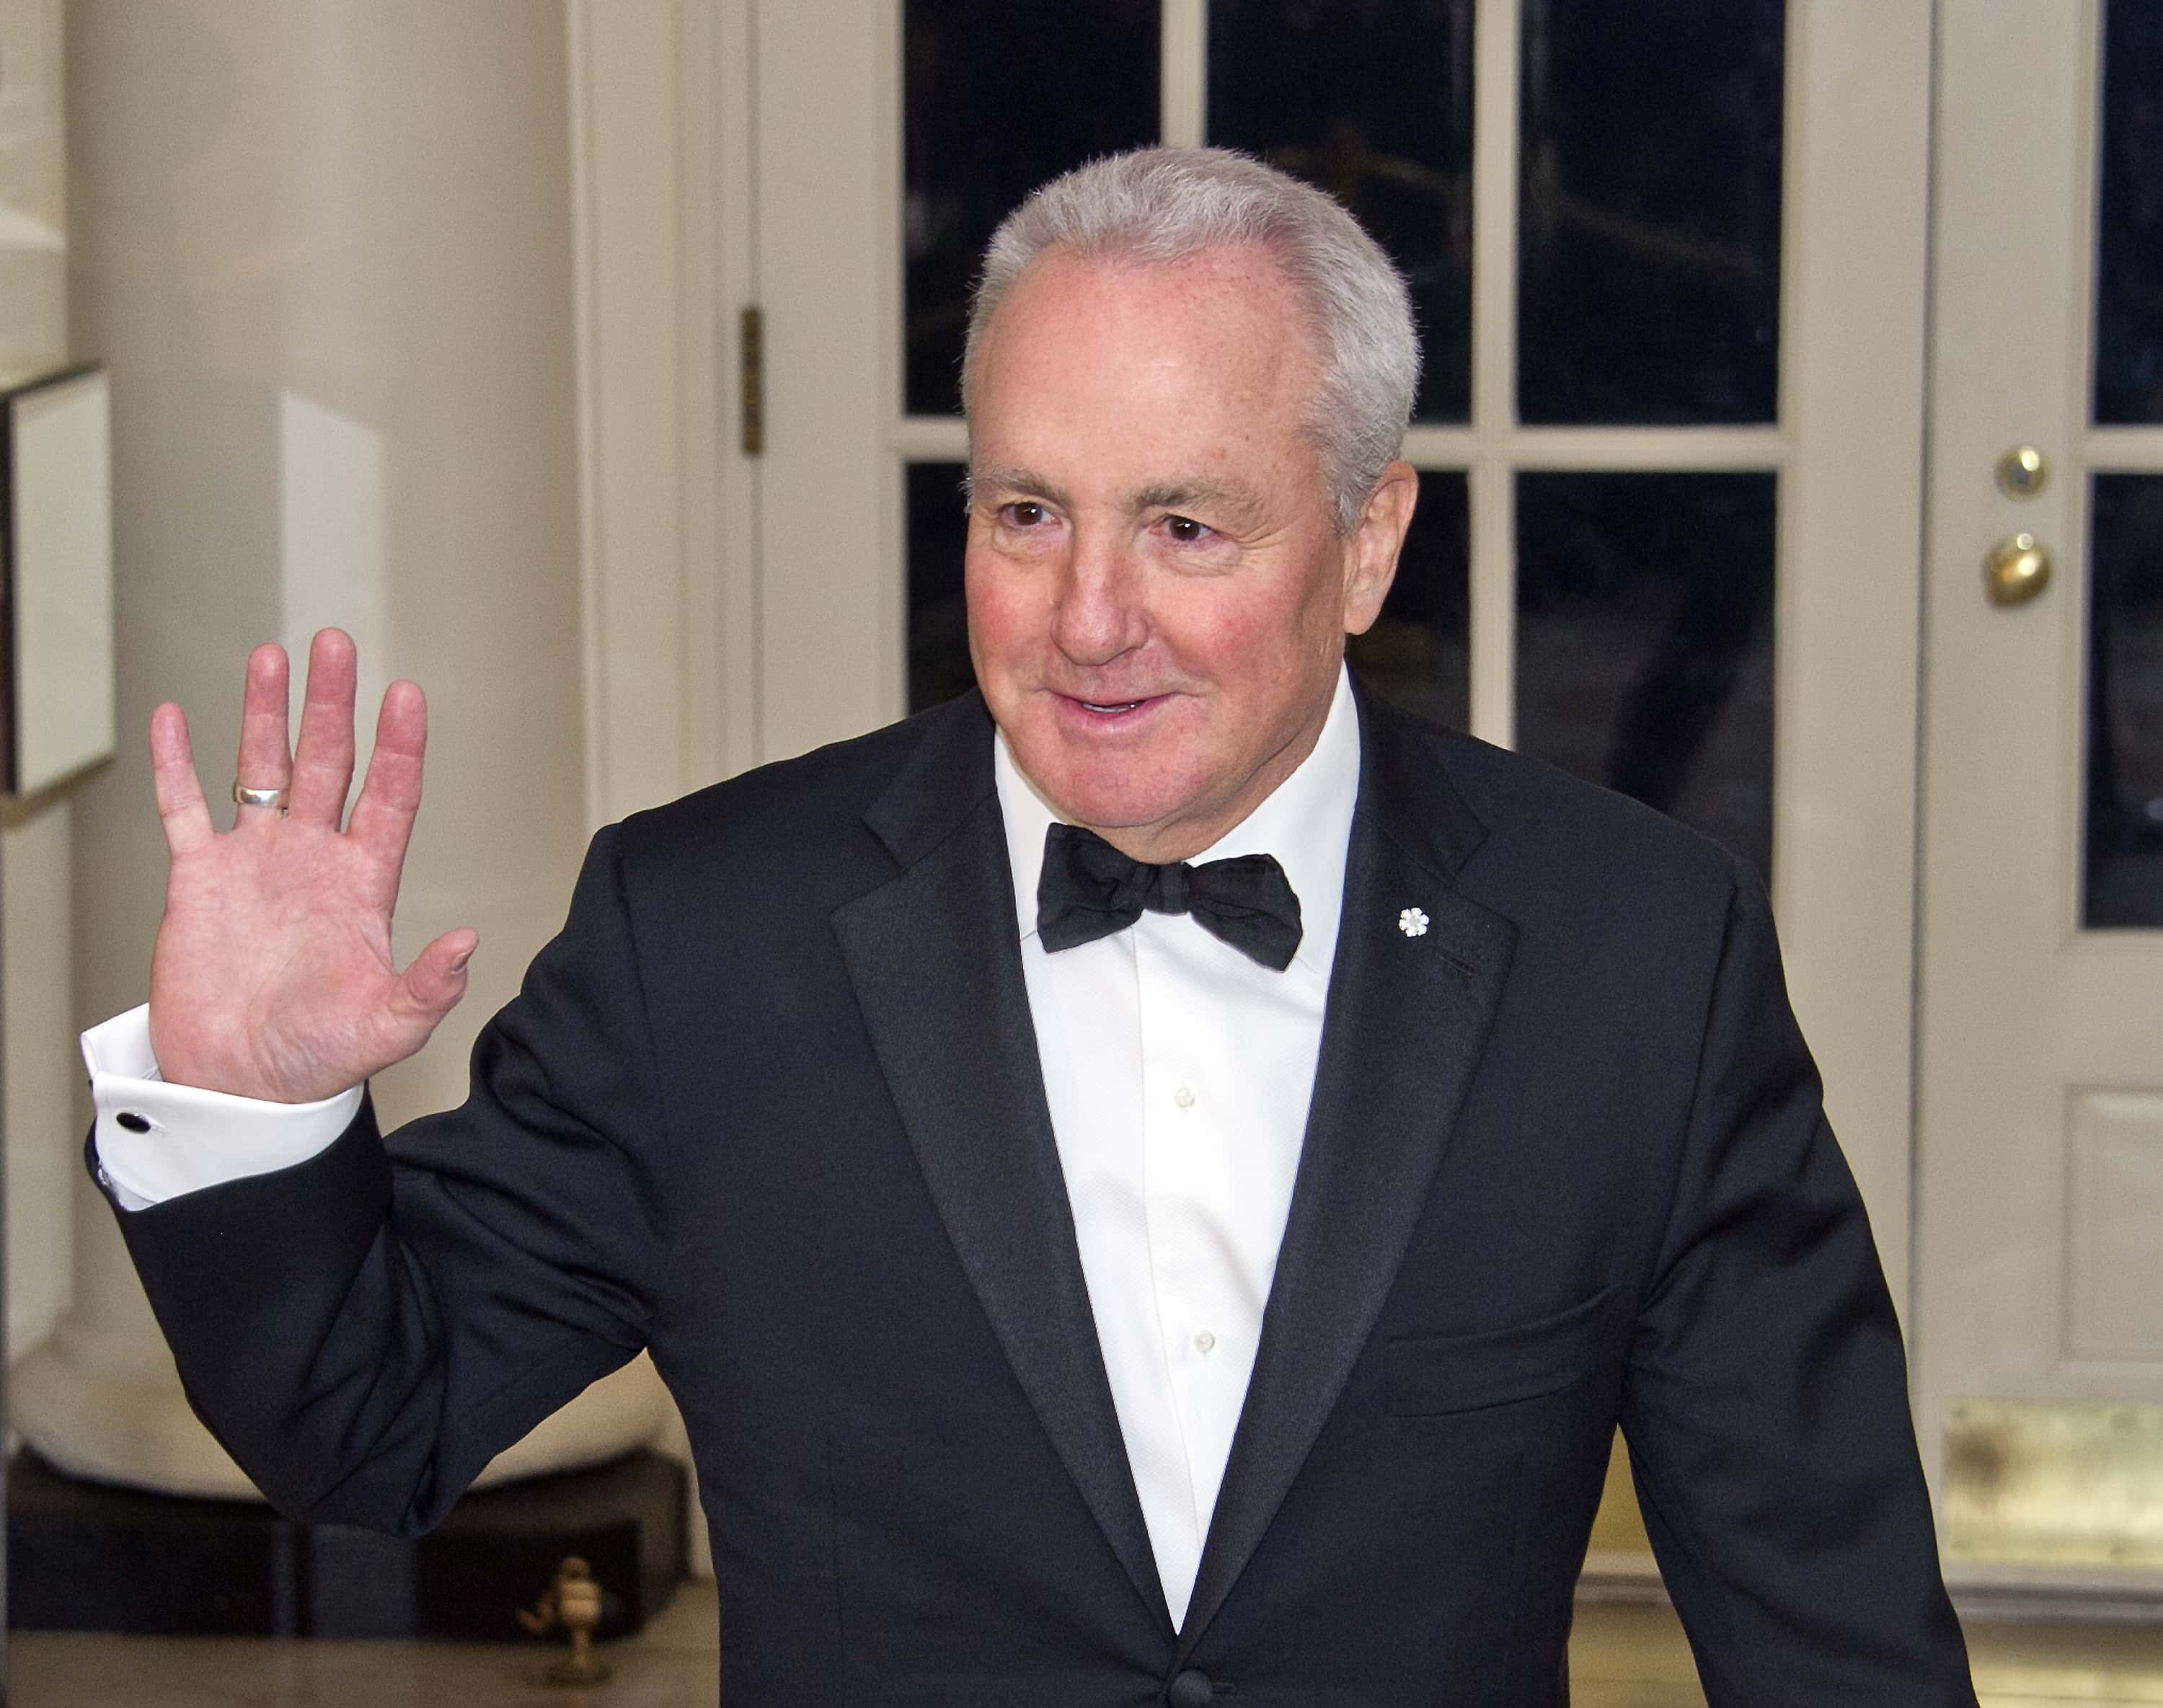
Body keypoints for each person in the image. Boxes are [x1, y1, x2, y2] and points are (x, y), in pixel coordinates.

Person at [85, 148, 1976, 1704]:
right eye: (1024, 514)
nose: (1087, 619)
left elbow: (1835, 1633)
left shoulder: (1633, 953)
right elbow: (369, 1425)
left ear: (1370, 536)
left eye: (1184, 528)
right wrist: (250, 1111)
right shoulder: (712, 936)